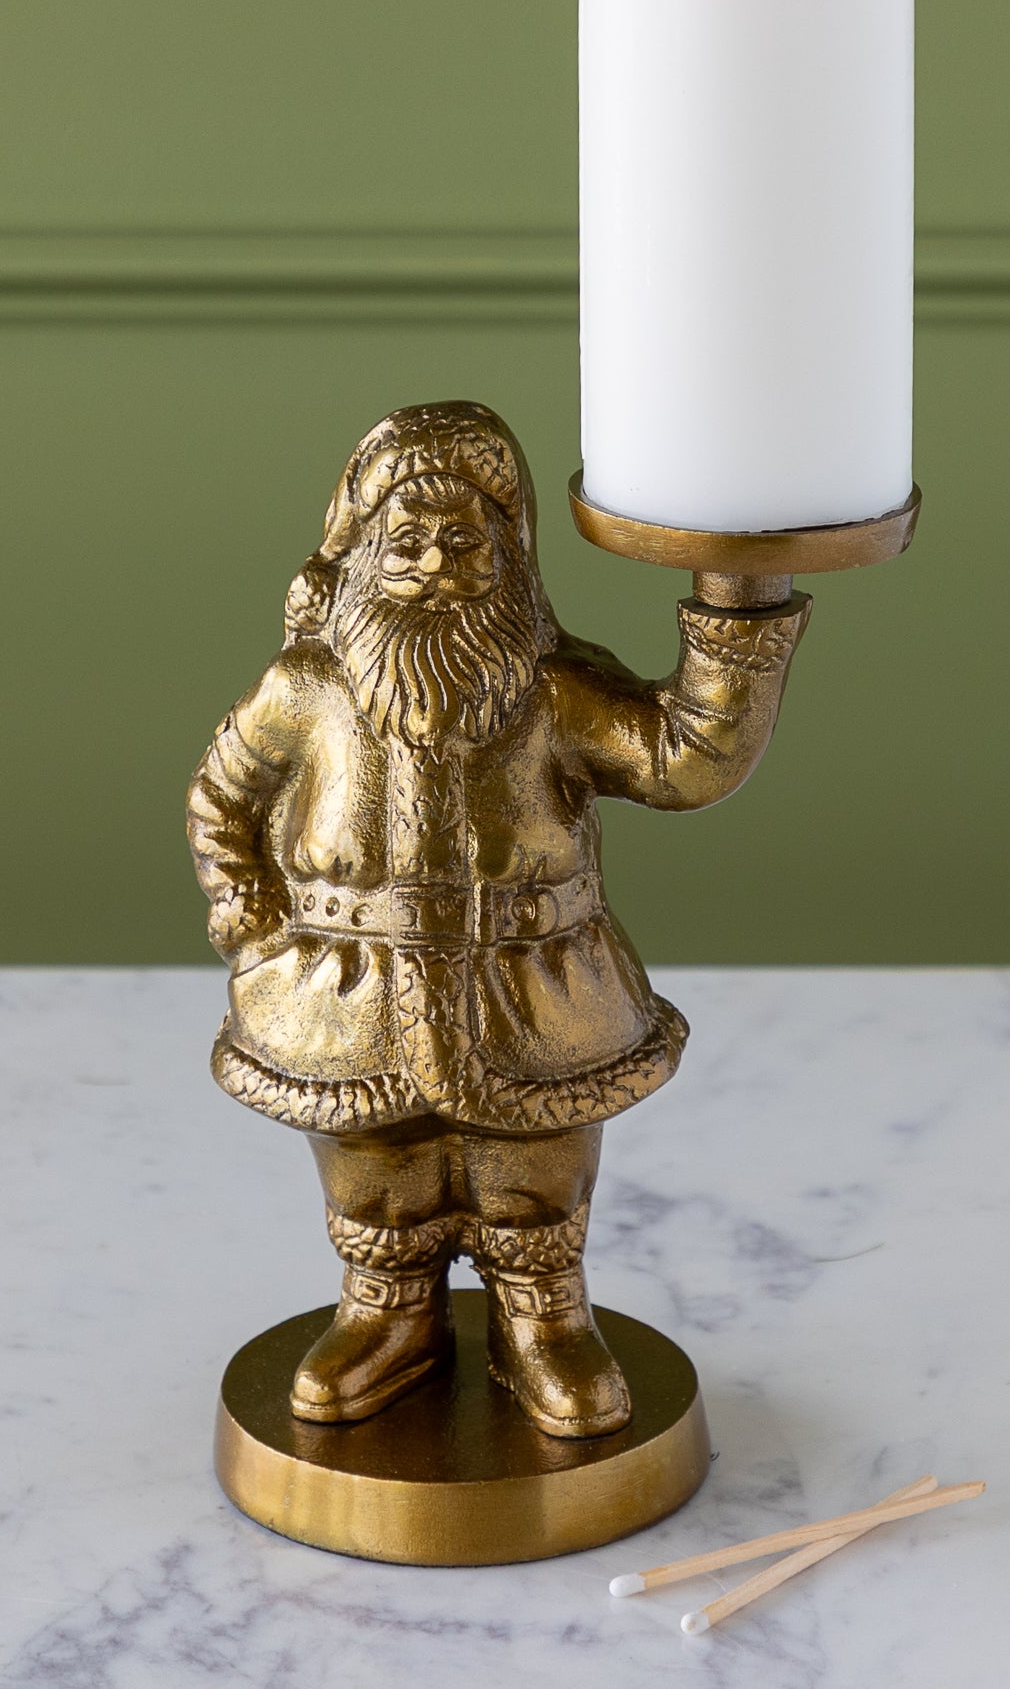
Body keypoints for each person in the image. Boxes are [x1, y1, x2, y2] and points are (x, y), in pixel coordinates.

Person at [188, 402, 807, 1437]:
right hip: (348, 985)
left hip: (532, 982)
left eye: (464, 541)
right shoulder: (304, 688)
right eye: (407, 543)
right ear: (359, 557)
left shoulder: (554, 690)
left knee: (534, 1169)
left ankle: (543, 1318)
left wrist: (735, 611)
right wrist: (248, 921)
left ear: (509, 557)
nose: (435, 564)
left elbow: (681, 757)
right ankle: (386, 1310)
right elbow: (222, 794)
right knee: (373, 1162)